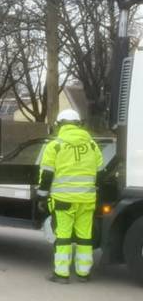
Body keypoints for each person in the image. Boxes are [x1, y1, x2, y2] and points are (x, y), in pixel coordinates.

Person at [37, 109, 103, 284]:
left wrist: (42, 196)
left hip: (63, 200)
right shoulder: (92, 145)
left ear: (59, 125)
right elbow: (100, 169)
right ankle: (83, 273)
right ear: (79, 124)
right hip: (87, 199)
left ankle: (62, 274)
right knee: (84, 237)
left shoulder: (55, 146)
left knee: (63, 236)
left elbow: (47, 175)